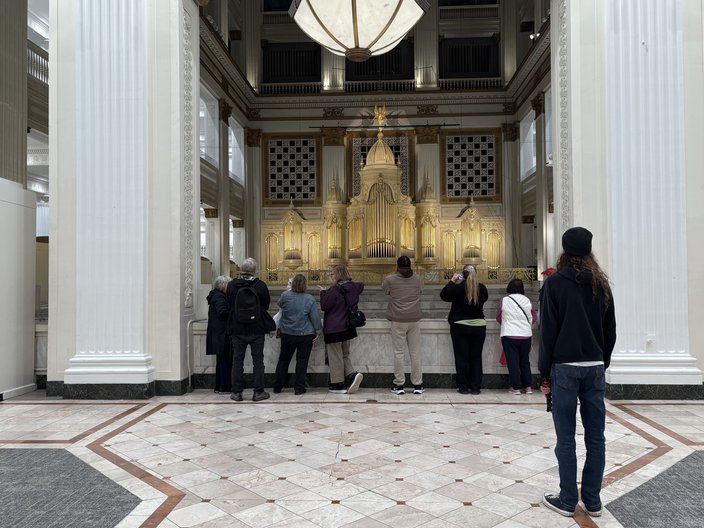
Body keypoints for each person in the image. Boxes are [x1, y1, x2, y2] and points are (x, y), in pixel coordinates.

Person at [539, 227, 616, 518]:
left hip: (565, 368)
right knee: (596, 436)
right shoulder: (602, 284)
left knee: (566, 437)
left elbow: (547, 332)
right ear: (589, 251)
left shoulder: (555, 283)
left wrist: (544, 372)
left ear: (564, 249)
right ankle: (593, 500)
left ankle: (568, 498)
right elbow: (611, 330)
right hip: (593, 367)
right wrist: (601, 361)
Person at [226, 257, 276, 402]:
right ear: (254, 270)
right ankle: (258, 392)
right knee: (258, 361)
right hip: (257, 329)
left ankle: (236, 392)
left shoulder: (231, 285)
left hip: (237, 329)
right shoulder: (260, 285)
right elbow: (266, 305)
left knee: (237, 361)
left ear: (241, 270)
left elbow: (230, 303)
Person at [440, 265, 489, 394]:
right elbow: (484, 299)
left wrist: (452, 280)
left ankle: (463, 387)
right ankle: (475, 387)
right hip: (478, 326)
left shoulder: (457, 288)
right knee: (476, 357)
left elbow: (443, 295)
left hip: (459, 326)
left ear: (463, 275)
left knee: (461, 357)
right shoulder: (482, 289)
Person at [273, 274, 322, 395]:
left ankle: (277, 386)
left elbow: (280, 304)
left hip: (288, 333)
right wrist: (319, 331)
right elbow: (315, 317)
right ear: (305, 285)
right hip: (305, 334)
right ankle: (299, 388)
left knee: (283, 360)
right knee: (302, 361)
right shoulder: (309, 298)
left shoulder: (285, 296)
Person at [382, 256, 424, 395]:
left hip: (397, 319)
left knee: (398, 353)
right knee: (415, 353)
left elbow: (386, 290)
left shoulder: (390, 279)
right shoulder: (418, 279)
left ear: (397, 266)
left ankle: (399, 385)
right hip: (414, 319)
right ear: (410, 265)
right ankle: (418, 385)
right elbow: (420, 292)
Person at [319, 264, 364, 394]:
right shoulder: (354, 288)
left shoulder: (335, 290)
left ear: (338, 275)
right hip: (348, 327)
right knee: (344, 354)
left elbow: (324, 306)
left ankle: (338, 384)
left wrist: (323, 293)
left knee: (335, 356)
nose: (331, 276)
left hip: (334, 328)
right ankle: (352, 375)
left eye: (332, 274)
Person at [496, 278, 537, 395]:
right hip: (525, 335)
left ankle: (516, 387)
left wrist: (506, 324)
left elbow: (499, 316)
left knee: (513, 362)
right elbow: (533, 318)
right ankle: (528, 387)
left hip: (509, 334)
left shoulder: (504, 300)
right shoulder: (528, 300)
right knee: (525, 361)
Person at [206, 275, 232, 393]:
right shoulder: (220, 298)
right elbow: (222, 313)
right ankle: (224, 385)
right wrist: (233, 311)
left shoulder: (215, 296)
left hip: (218, 334)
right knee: (224, 361)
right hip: (221, 335)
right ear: (224, 285)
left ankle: (220, 385)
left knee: (222, 361)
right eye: (228, 285)